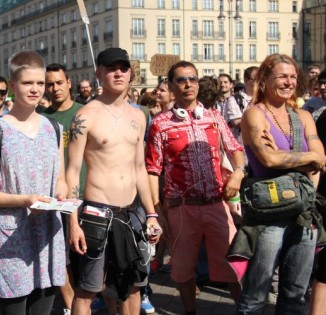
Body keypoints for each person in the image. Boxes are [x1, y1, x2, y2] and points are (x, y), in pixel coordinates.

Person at [146, 61, 244, 315]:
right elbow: (153, 169)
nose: (188, 84)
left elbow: (235, 149)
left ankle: (245, 311)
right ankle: (190, 312)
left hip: (215, 204)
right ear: (170, 85)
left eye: (192, 79)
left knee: (232, 265)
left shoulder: (213, 117)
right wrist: (156, 211)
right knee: (182, 269)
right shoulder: (160, 123)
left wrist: (238, 174)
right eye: (181, 80)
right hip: (181, 208)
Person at [67, 48, 160, 315]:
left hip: (132, 214)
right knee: (88, 289)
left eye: (123, 68)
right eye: (110, 68)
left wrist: (151, 213)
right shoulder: (86, 116)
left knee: (134, 285)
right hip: (97, 214)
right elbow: (72, 172)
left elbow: (140, 168)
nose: (118, 73)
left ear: (131, 73)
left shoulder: (139, 116)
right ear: (99, 73)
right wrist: (73, 222)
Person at [0, 50, 66, 315]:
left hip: (48, 234)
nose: (36, 89)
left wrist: (62, 192)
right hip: (11, 237)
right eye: (28, 83)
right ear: (13, 86)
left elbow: (59, 177)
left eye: (40, 83)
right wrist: (24, 200)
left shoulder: (54, 128)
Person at [234, 54, 326, 314]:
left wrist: (291, 159)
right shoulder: (254, 114)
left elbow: (321, 159)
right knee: (255, 295)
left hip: (304, 213)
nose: (289, 82)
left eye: (293, 76)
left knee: (296, 294)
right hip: (268, 216)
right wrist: (308, 160)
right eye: (283, 76)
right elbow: (268, 159)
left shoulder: (304, 116)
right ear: (264, 80)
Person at [43, 62, 85, 315]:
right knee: (62, 257)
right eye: (50, 84)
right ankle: (71, 307)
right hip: (55, 197)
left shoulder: (86, 113)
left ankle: (86, 301)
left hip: (87, 196)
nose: (55, 88)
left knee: (89, 258)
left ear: (69, 83)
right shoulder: (42, 120)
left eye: (59, 82)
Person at [225, 67, 258, 143]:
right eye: (256, 79)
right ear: (246, 80)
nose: (259, 82)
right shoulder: (234, 99)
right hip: (243, 146)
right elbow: (236, 122)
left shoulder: (265, 98)